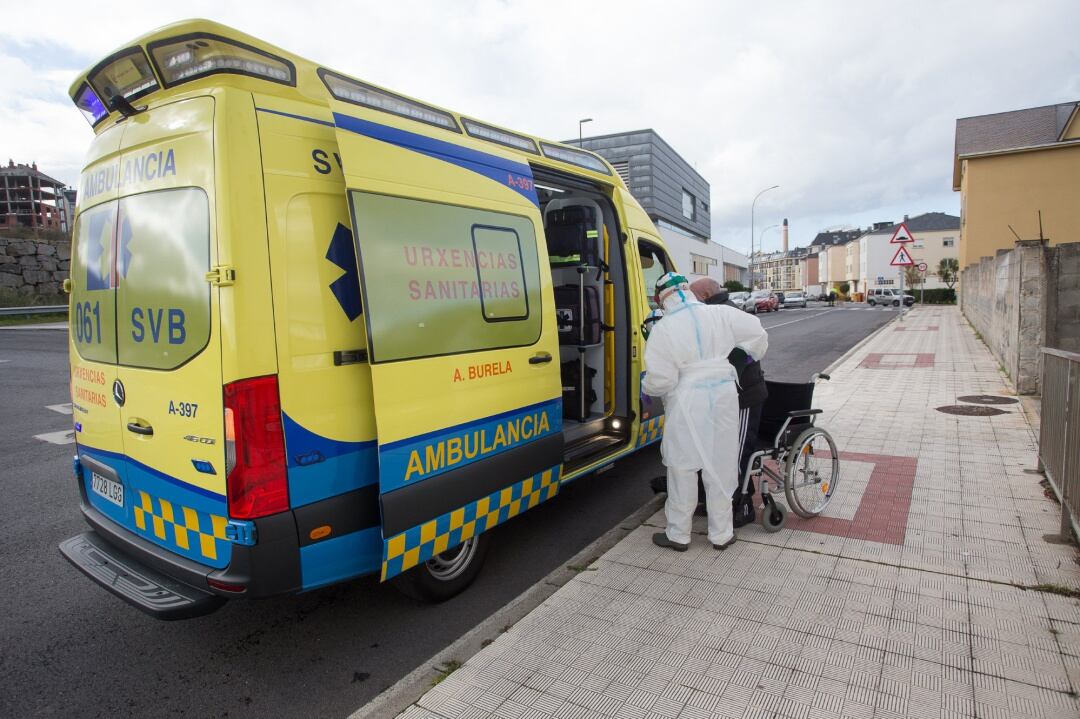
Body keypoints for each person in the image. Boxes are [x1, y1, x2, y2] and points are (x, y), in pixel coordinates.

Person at [643, 272, 768, 551]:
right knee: (721, 463)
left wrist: (647, 386)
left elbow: (661, 380)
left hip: (687, 401)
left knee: (682, 467)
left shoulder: (664, 328)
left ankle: (678, 535)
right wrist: (737, 357)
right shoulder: (720, 314)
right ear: (687, 290)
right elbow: (758, 334)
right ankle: (722, 535)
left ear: (660, 299)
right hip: (724, 396)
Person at [689, 278, 768, 528]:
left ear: (703, 294)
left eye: (693, 295)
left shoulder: (729, 314)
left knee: (737, 451)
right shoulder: (709, 314)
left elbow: (743, 354)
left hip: (743, 398)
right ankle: (717, 502)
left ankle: (742, 504)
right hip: (723, 397)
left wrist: (721, 375)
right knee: (717, 451)